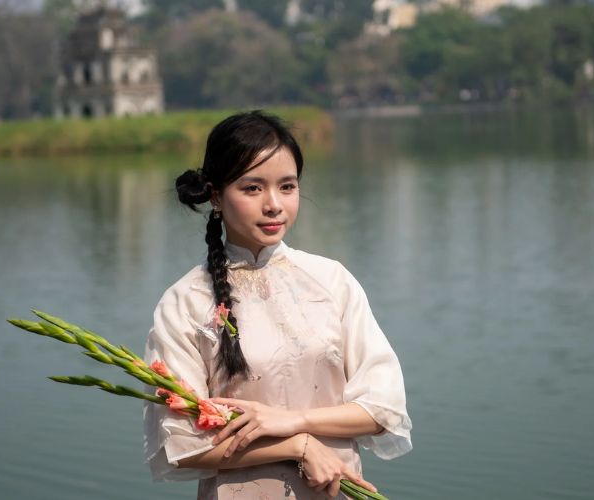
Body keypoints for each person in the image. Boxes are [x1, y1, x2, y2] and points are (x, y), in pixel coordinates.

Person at [143, 110, 412, 499]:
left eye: (287, 186)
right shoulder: (185, 302)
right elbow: (182, 446)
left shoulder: (332, 280)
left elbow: (383, 409)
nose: (274, 205)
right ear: (216, 195)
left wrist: (292, 421)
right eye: (252, 188)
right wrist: (298, 445)